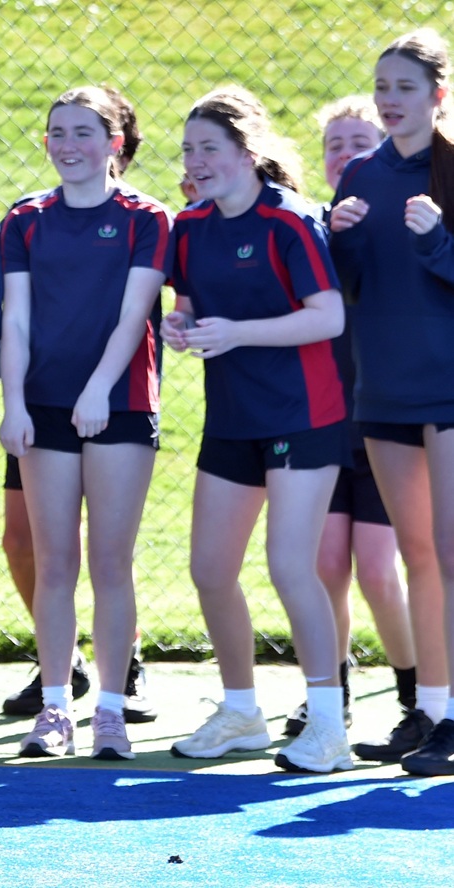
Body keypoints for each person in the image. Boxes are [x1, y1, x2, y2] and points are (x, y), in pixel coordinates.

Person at [163, 86, 352, 774]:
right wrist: (179, 328)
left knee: (287, 566)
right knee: (210, 569)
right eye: (188, 150)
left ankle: (328, 723)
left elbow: (327, 317)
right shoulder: (189, 227)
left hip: (304, 415)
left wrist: (237, 332)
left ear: (247, 153)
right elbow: (185, 307)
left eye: (209, 148)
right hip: (233, 418)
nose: (197, 161)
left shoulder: (292, 221)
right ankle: (241, 711)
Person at [0, 86, 171, 760]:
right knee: (55, 563)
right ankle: (53, 710)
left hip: (120, 406)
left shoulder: (145, 217)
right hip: (43, 409)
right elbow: (15, 317)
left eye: (84, 133)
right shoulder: (26, 219)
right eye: (58, 133)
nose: (69, 145)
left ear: (114, 144)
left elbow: (134, 318)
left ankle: (109, 710)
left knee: (110, 562)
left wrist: (99, 389)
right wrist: (14, 401)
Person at [329, 29, 454, 776]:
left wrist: (440, 241)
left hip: (448, 387)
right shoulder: (361, 175)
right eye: (381, 87)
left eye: (404, 87)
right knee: (418, 555)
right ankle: (432, 710)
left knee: (450, 549)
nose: (388, 100)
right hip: (382, 390)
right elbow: (349, 288)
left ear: (438, 94)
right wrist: (338, 240)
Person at [279, 96, 417, 745]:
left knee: (378, 568)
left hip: (389, 423)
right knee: (324, 563)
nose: (345, 153)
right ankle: (328, 699)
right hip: (322, 425)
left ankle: (420, 697)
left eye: (359, 140)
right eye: (334, 142)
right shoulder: (307, 230)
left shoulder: (402, 224)